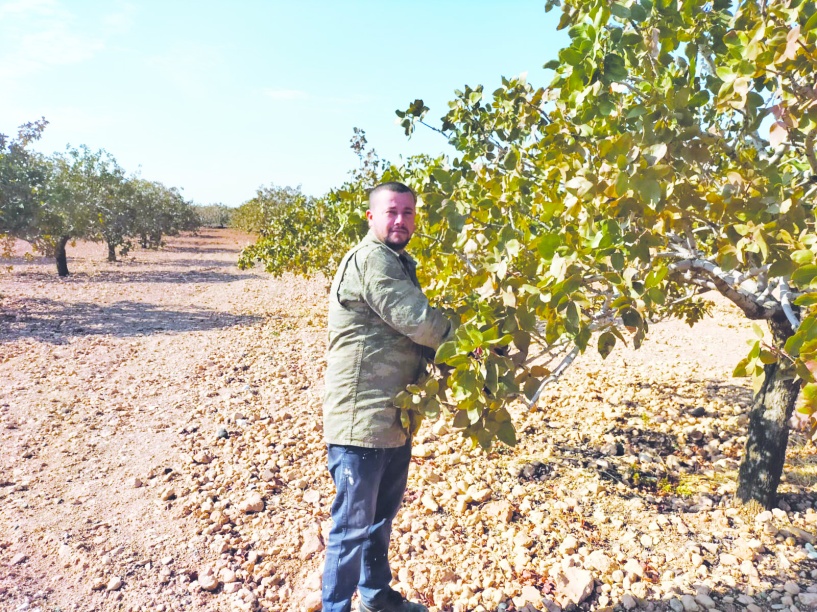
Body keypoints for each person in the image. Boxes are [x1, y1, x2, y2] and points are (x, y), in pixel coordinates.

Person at [321, 181, 452, 612]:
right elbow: (420, 322)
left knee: (378, 521)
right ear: (371, 216)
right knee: (351, 527)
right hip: (361, 419)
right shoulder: (372, 261)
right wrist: (479, 342)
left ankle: (376, 598)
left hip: (393, 416)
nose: (401, 220)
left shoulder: (397, 260)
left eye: (408, 212)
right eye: (392, 212)